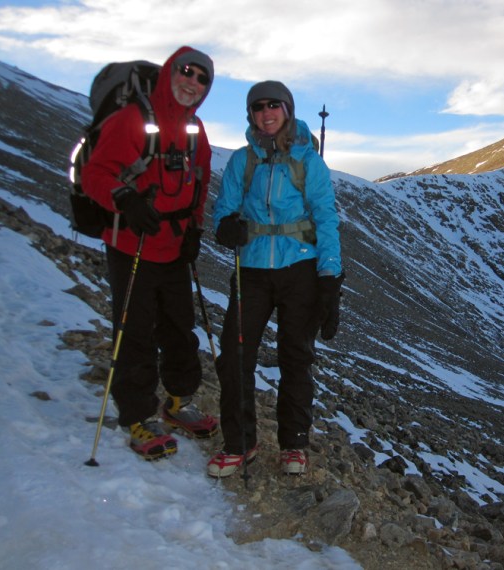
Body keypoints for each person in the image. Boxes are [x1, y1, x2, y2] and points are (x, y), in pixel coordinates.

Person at [81, 46, 218, 460]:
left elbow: (199, 181)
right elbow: (94, 174)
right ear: (168, 73)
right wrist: (125, 199)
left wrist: (195, 227)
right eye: (186, 72)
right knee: (135, 331)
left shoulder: (196, 131)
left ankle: (178, 403)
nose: (192, 83)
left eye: (202, 79)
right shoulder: (133, 119)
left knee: (179, 328)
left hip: (174, 246)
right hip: (131, 244)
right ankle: (138, 416)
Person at [209, 80, 344, 477]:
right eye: (258, 107)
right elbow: (224, 209)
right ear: (250, 115)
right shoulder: (241, 161)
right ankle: (239, 442)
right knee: (234, 356)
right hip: (251, 270)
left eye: (274, 106)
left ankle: (294, 444)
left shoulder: (308, 161)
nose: (266, 113)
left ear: (287, 110)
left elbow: (326, 218)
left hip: (300, 268)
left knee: (296, 358)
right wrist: (225, 226)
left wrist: (329, 277)